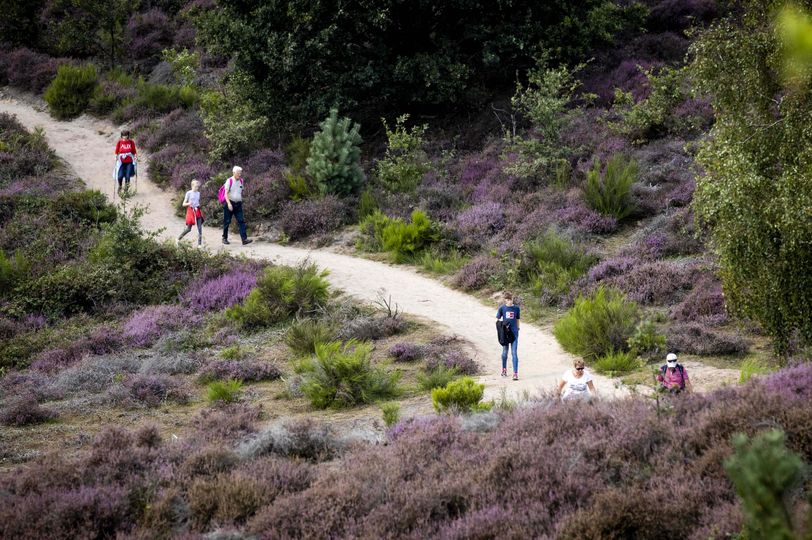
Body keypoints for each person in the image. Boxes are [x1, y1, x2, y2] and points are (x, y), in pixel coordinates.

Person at [222, 166, 252, 246]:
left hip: (238, 204)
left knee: (241, 221)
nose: (240, 174)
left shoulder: (241, 181)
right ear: (234, 173)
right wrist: (228, 203)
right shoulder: (229, 181)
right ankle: (224, 238)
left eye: (240, 173)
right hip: (229, 203)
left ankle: (244, 239)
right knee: (227, 221)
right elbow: (225, 194)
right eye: (238, 173)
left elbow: (241, 191)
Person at [496, 292, 520, 380]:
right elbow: (497, 320)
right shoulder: (502, 308)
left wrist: (518, 328)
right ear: (505, 300)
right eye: (508, 300)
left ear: (513, 299)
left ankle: (515, 373)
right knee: (504, 353)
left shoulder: (516, 308)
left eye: (511, 299)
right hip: (505, 334)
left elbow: (517, 319)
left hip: (514, 334)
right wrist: (501, 329)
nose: (510, 301)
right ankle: (504, 369)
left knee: (514, 353)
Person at [177, 179, 204, 247]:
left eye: (198, 187)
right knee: (189, 229)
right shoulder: (188, 193)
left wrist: (198, 206)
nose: (197, 188)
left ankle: (199, 244)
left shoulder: (198, 193)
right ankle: (178, 239)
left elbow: (198, 202)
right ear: (192, 186)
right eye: (195, 186)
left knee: (200, 228)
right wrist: (189, 203)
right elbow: (183, 204)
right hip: (191, 211)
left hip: (197, 210)